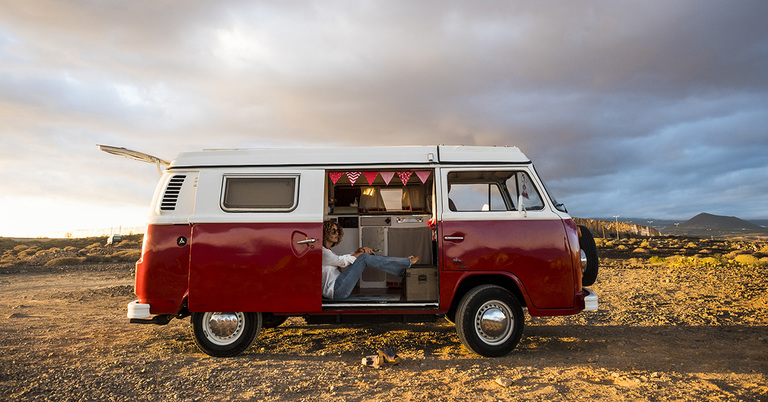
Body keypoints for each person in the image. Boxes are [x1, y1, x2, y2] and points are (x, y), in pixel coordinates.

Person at [322, 220, 419, 300]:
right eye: (333, 231)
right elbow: (342, 262)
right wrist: (361, 253)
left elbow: (341, 259)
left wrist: (357, 252)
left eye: (337, 231)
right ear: (325, 233)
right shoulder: (322, 252)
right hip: (336, 290)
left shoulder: (327, 251)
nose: (337, 233)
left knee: (363, 257)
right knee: (364, 258)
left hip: (338, 287)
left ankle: (402, 266)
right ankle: (405, 264)